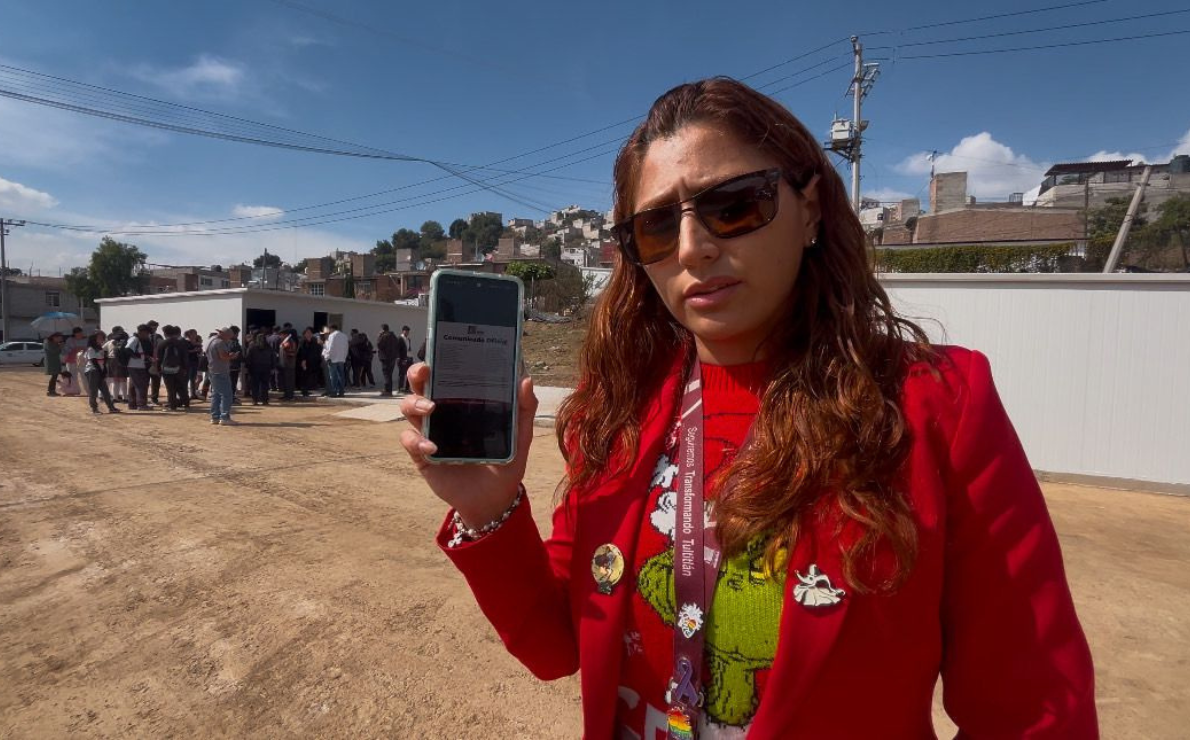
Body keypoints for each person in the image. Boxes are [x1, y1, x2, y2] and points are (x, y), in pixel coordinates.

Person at [399, 78, 1097, 739]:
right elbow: (557, 647)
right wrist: (488, 511)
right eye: (655, 227)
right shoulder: (616, 416)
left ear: (812, 209)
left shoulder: (936, 406)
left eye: (733, 206)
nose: (693, 248)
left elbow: (1034, 711)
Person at [205, 327, 239, 425]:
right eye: (229, 337)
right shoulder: (220, 343)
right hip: (221, 370)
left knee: (216, 394)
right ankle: (224, 417)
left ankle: (215, 416)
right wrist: (232, 356)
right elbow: (223, 356)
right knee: (227, 394)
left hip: (212, 369)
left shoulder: (211, 340)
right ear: (225, 335)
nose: (229, 339)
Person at [82, 330, 121, 415]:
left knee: (105, 390)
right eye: (99, 337)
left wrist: (104, 370)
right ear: (93, 338)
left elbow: (103, 360)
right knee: (93, 391)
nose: (101, 339)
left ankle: (111, 407)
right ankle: (94, 409)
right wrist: (101, 371)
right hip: (92, 371)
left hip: (99, 370)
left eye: (102, 337)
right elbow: (93, 361)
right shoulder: (91, 349)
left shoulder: (100, 348)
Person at [157, 325, 191, 411]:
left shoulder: (162, 343)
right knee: (181, 387)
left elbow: (159, 358)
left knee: (170, 388)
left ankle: (172, 405)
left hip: (166, 369)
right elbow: (185, 357)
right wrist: (185, 368)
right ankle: (186, 403)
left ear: (165, 333)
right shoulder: (180, 343)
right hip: (178, 368)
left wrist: (158, 369)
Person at [124, 324, 153, 411]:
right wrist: (137, 357)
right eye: (147, 333)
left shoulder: (136, 339)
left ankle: (132, 404)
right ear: (142, 332)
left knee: (133, 385)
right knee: (141, 385)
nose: (147, 335)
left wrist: (145, 357)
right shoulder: (135, 339)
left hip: (135, 365)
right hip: (136, 365)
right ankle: (141, 404)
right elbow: (127, 349)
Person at [245, 331, 275, 406]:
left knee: (255, 385)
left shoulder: (252, 347)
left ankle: (255, 400)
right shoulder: (269, 347)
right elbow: (273, 358)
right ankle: (265, 400)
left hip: (255, 368)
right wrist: (273, 367)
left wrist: (248, 367)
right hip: (266, 368)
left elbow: (248, 358)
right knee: (265, 385)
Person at [322, 324, 349, 398]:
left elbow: (331, 347)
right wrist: (344, 357)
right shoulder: (344, 336)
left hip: (333, 358)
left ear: (331, 329)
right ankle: (341, 392)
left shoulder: (332, 336)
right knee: (341, 376)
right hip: (341, 358)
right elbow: (346, 347)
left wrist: (327, 357)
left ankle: (333, 392)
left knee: (333, 376)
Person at [104, 327, 130, 402]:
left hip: (111, 360)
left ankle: (115, 397)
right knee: (123, 379)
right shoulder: (125, 342)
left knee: (115, 380)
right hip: (122, 360)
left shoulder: (110, 342)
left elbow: (103, 349)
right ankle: (125, 398)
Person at [376, 324, 401, 397]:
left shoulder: (384, 336)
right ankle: (388, 390)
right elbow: (397, 346)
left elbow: (379, 344)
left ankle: (388, 391)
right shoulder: (394, 336)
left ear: (383, 330)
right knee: (389, 374)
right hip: (392, 358)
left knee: (386, 374)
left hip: (385, 358)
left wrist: (379, 336)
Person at [298, 327, 323, 397]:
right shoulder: (302, 341)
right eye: (307, 333)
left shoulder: (314, 340)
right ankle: (304, 391)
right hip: (305, 361)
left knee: (309, 376)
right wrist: (303, 361)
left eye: (310, 333)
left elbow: (319, 349)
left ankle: (307, 390)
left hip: (313, 362)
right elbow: (302, 352)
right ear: (304, 334)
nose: (309, 334)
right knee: (304, 376)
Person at [278, 326, 299, 401]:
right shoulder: (285, 341)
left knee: (289, 381)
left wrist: (285, 349)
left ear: (285, 334)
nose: (280, 336)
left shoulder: (290, 341)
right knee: (285, 381)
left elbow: (293, 352)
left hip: (289, 365)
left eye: (281, 334)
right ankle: (286, 395)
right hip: (284, 364)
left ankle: (290, 396)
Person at [146, 320, 164, 405]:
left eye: (156, 328)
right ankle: (143, 398)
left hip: (157, 361)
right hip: (146, 362)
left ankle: (154, 398)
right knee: (144, 381)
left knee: (156, 380)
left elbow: (162, 346)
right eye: (153, 327)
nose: (155, 329)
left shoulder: (158, 336)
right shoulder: (143, 337)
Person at [399, 325, 413, 393]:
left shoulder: (408, 339)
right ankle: (400, 388)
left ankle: (407, 388)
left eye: (408, 331)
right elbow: (398, 349)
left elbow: (409, 349)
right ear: (403, 331)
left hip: (409, 357)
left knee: (409, 373)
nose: (407, 332)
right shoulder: (400, 338)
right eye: (406, 331)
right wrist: (401, 358)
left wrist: (411, 357)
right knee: (402, 373)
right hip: (403, 358)